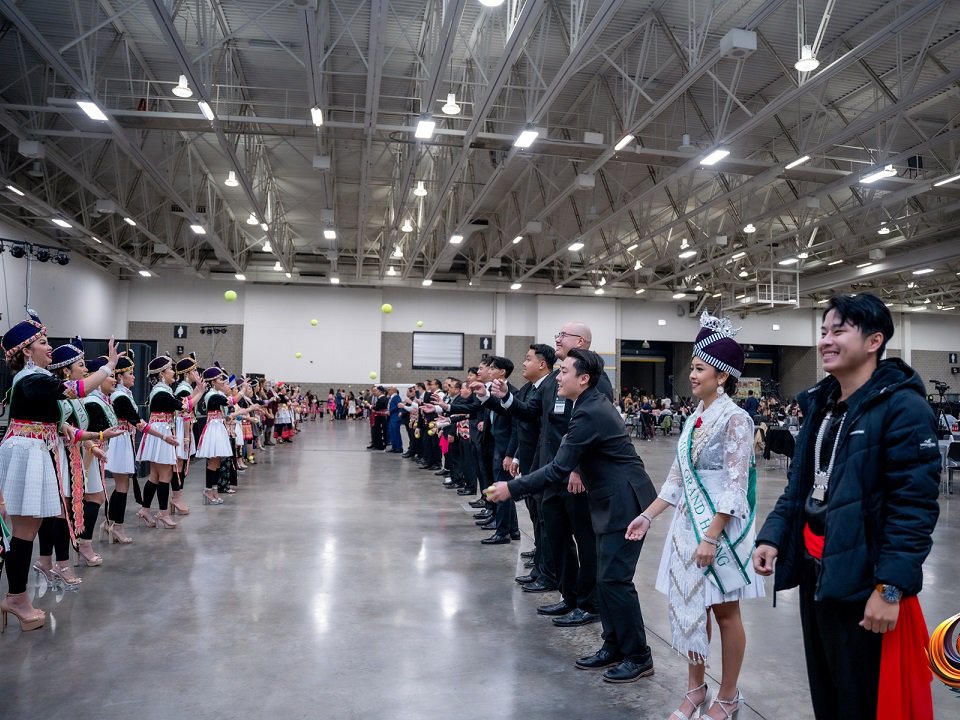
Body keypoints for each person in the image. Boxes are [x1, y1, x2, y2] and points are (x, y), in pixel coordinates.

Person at [753, 293, 940, 720]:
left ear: (874, 341)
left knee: (865, 700)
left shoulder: (903, 407)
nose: (826, 341)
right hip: (818, 572)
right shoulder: (821, 404)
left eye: (839, 330)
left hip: (864, 580)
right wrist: (774, 534)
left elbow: (913, 508)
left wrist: (889, 587)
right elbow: (800, 484)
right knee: (828, 692)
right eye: (823, 331)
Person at [487, 349, 658, 683]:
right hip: (610, 499)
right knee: (606, 580)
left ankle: (639, 655)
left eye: (564, 371)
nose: (558, 376)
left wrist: (514, 488)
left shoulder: (590, 411)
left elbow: (560, 468)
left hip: (624, 501)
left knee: (614, 580)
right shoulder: (585, 405)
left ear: (584, 379)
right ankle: (614, 646)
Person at [626, 311, 763, 720]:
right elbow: (676, 480)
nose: (692, 375)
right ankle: (696, 688)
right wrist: (648, 516)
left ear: (722, 376)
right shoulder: (692, 418)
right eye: (691, 368)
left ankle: (729, 694)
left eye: (699, 368)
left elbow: (736, 486)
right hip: (688, 526)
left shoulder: (737, 419)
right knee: (690, 609)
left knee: (724, 611)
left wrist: (712, 536)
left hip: (719, 529)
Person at [0, 315, 121, 631]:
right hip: (27, 452)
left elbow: (60, 425)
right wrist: (108, 366)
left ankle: (18, 595)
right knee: (24, 532)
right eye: (42, 343)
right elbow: (78, 389)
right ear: (27, 351)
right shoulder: (30, 379)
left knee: (30, 528)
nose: (48, 347)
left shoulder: (35, 379)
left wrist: (95, 440)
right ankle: (16, 598)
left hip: (37, 451)